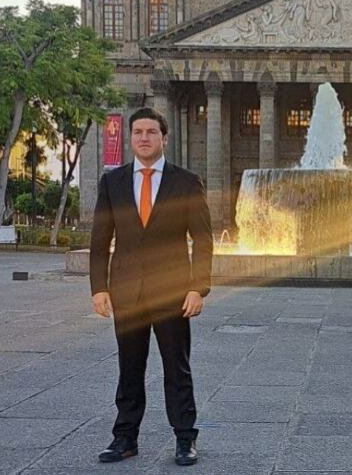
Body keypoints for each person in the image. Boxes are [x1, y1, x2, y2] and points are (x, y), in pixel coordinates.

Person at [89, 106, 213, 466]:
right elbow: (100, 240)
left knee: (177, 369)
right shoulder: (112, 182)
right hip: (126, 291)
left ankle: (185, 439)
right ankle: (124, 438)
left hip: (172, 292)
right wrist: (99, 288)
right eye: (138, 132)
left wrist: (197, 287)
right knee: (129, 368)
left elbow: (203, 239)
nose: (144, 138)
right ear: (130, 138)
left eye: (151, 132)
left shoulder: (185, 181)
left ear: (164, 138)